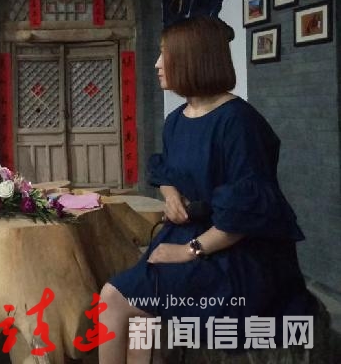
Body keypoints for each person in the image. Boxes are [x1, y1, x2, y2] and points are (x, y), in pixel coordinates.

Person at [99, 18, 314, 363]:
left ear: (194, 59)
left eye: (165, 54)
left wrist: (189, 251)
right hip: (189, 234)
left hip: (236, 253)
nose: (156, 64)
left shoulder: (238, 122)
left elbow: (246, 211)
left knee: (112, 298)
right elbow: (166, 171)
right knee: (139, 311)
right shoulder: (176, 120)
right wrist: (170, 194)